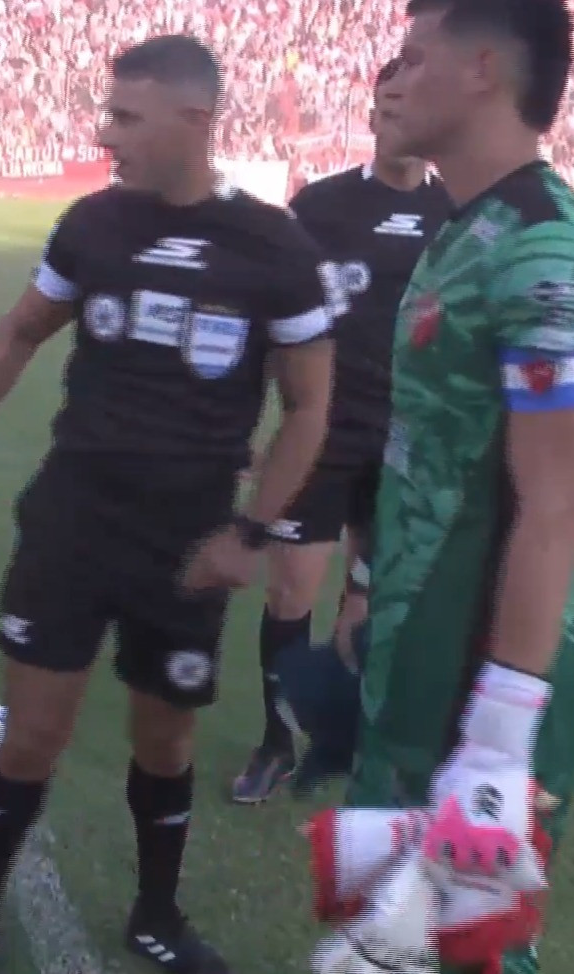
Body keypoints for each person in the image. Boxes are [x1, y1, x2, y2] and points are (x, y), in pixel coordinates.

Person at [0, 33, 335, 974]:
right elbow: (22, 329)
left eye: (127, 118)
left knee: (166, 737)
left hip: (187, 541)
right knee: (33, 735)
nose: (107, 134)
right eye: (109, 113)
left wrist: (251, 530)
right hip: (73, 520)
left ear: (195, 119)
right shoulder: (93, 224)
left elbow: (311, 407)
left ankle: (157, 918)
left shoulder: (273, 246)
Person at [316, 0, 574, 971]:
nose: (392, 79)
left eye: (412, 57)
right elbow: (430, 450)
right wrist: (370, 585)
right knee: (386, 933)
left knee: (466, 944)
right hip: (416, 642)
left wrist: (498, 733)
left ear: (483, 68)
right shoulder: (466, 227)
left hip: (479, 672)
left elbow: (557, 503)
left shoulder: (545, 246)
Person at [232, 57, 451, 804]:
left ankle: (347, 736)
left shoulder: (455, 214)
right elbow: (269, 318)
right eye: (387, 105)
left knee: (367, 607)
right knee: (290, 590)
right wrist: (248, 425)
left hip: (407, 444)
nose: (398, 118)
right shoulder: (321, 206)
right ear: (372, 113)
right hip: (323, 433)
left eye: (411, 104)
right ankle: (274, 742)